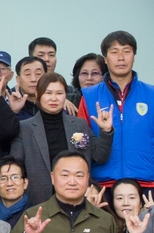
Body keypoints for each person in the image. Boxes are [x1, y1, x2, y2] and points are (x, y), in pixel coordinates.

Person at [79, 29, 154, 191]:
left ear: (134, 56)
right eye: (114, 52)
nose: (121, 58)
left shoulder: (153, 94)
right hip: (101, 183)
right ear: (105, 58)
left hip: (143, 182)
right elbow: (80, 142)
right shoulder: (89, 96)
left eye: (127, 51)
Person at [15, 73, 111, 206]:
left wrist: (106, 131)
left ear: (66, 95)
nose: (54, 98)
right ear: (38, 94)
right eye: (48, 93)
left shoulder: (79, 125)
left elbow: (100, 157)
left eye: (59, 93)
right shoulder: (24, 128)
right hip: (38, 200)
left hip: (76, 198)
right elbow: (17, 167)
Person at [0, 156, 31, 225]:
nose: (9, 183)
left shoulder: (35, 213)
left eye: (15, 177)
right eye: (3, 178)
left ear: (25, 183)